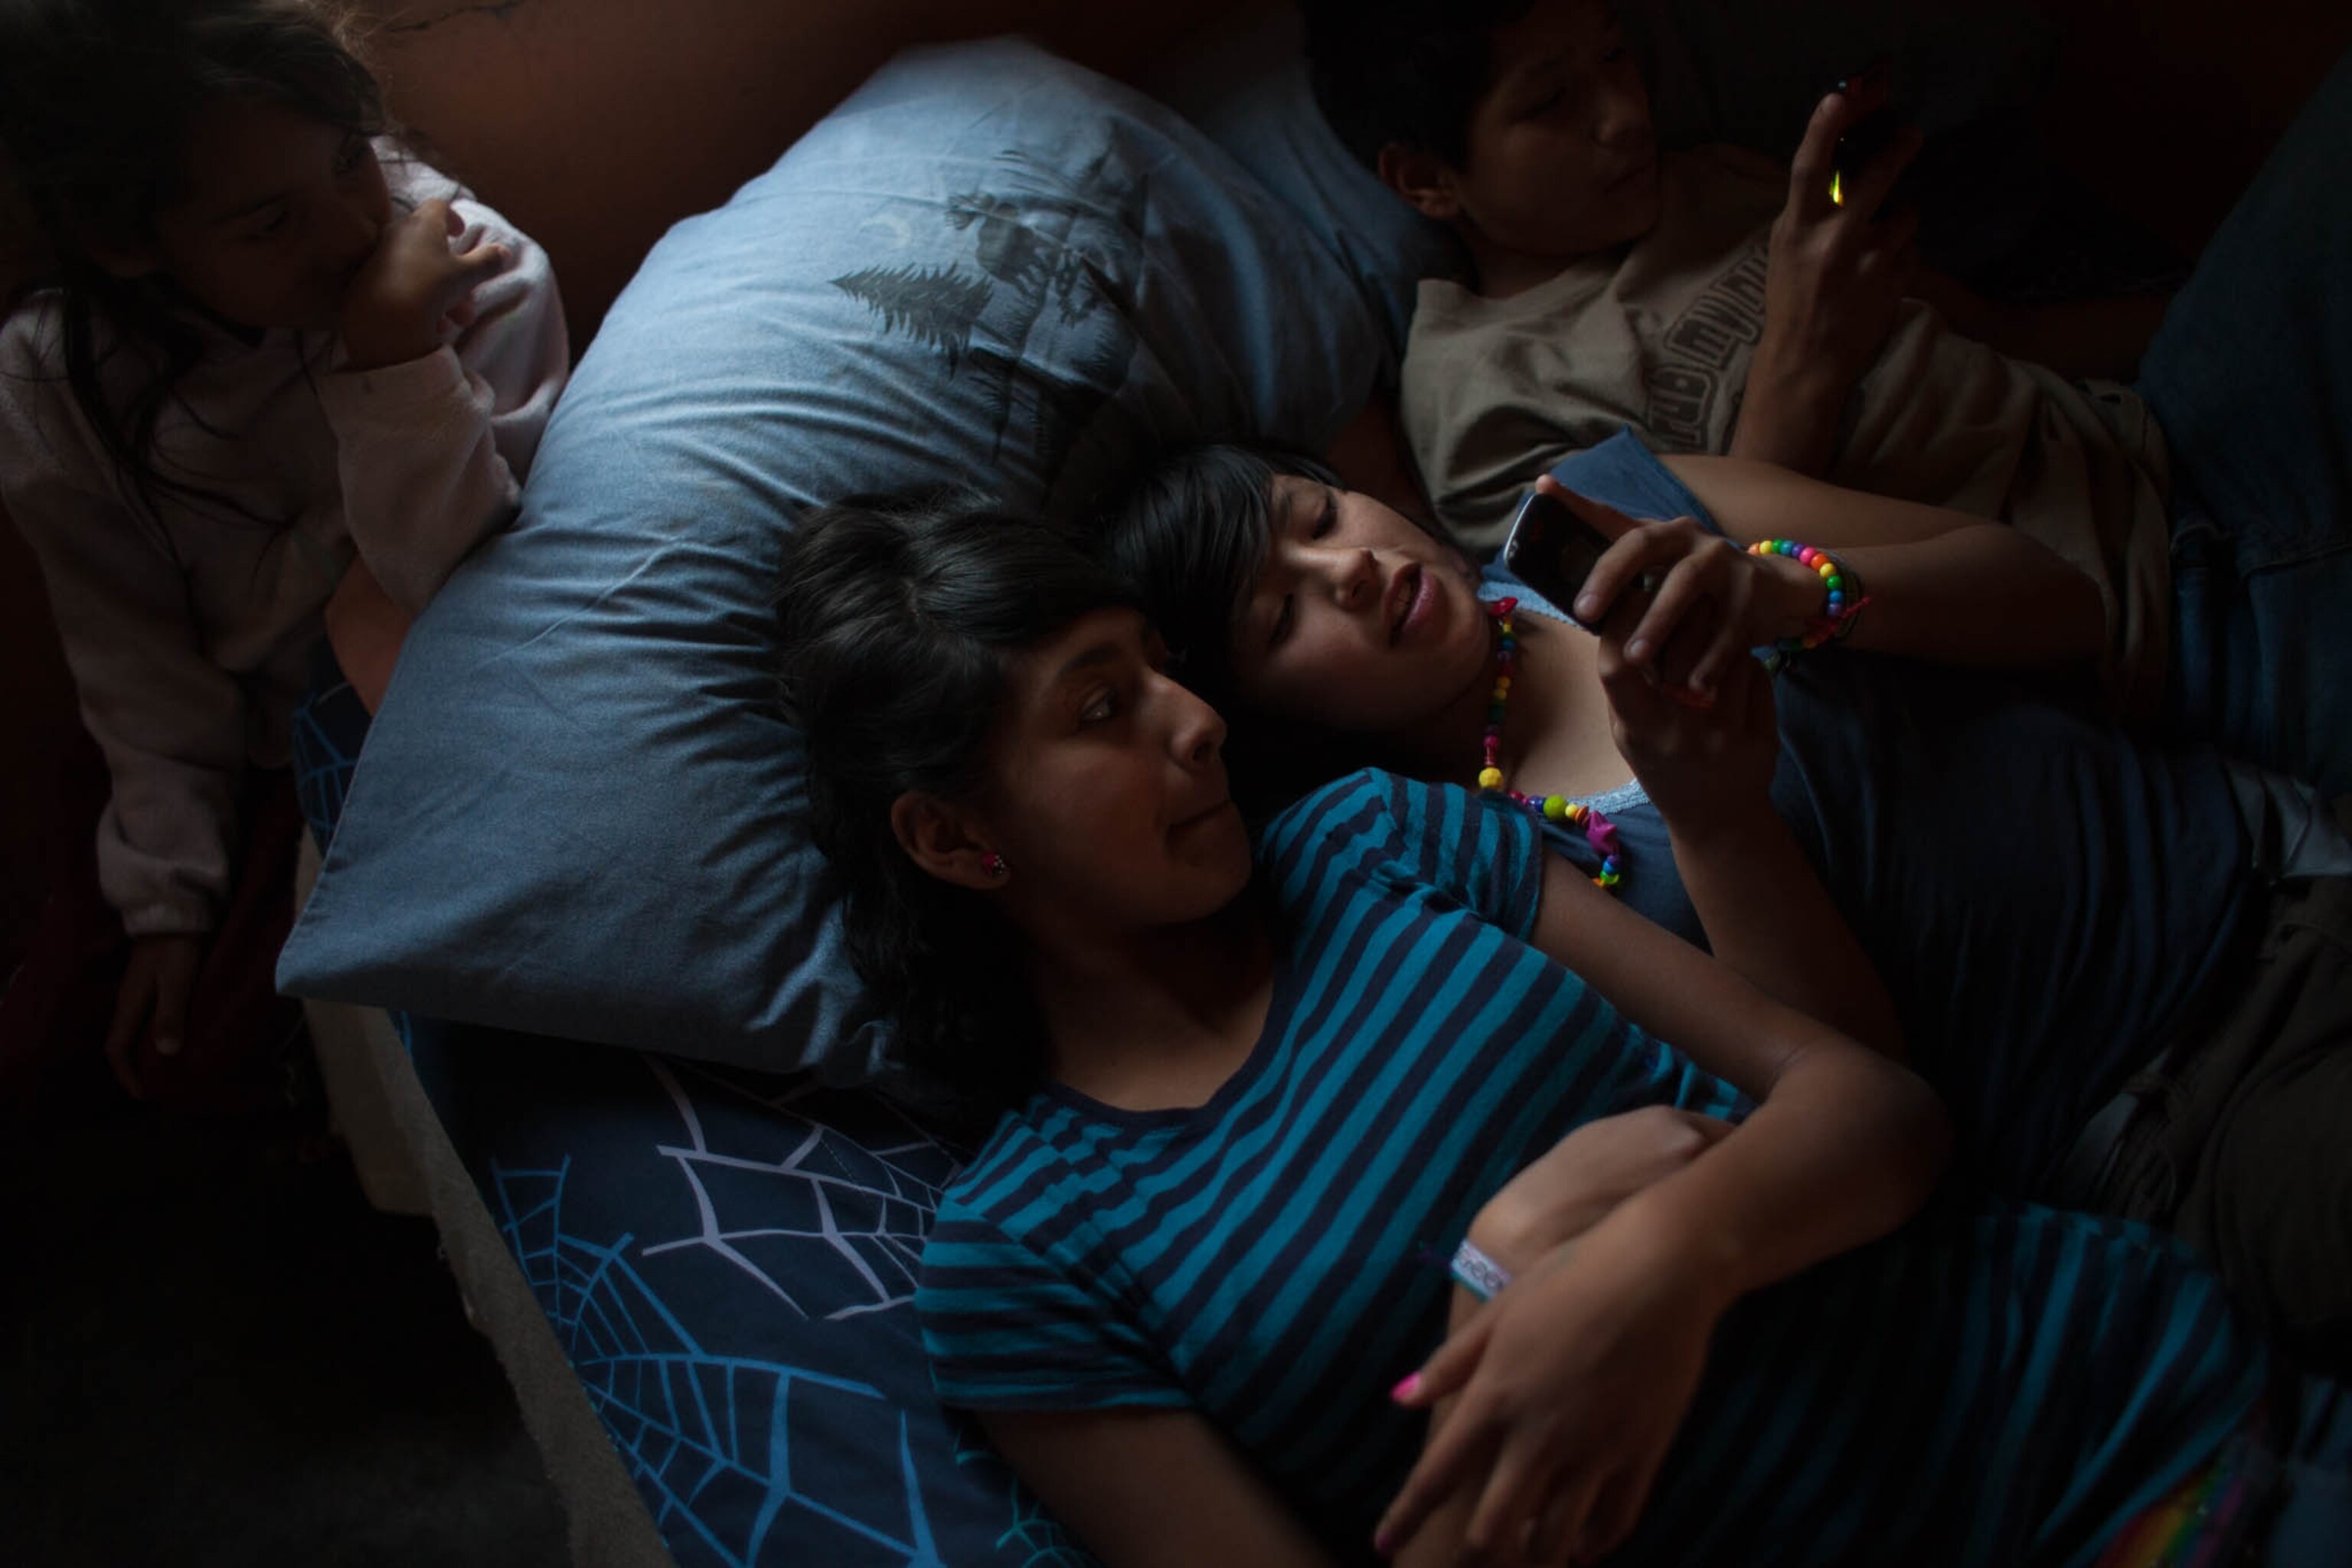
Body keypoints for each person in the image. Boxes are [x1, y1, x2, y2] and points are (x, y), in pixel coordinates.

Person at [776, 493, 2347, 1566]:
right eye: (1103, 709)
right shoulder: (1025, 1251)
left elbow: (1883, 1113)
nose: (1196, 724)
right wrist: (1511, 1289)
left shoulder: (1370, 842)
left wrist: (1675, 1255)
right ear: (955, 840)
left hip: (2129, 1404)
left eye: (1167, 673)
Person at [1095, 431, 2352, 1367]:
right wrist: (1712, 817)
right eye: (1283, 611)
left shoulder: (1618, 501)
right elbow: (1865, 1100)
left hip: (2279, 855)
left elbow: (2057, 604)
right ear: (1270, 723)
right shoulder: (1471, 878)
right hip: (2176, 1113)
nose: (1349, 568)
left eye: (1319, 514)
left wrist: (1805, 597)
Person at [1304, 0, 2352, 796]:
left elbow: (1996, 334)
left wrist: (2240, 308)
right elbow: (1716, 654)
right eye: (1552, 101)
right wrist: (1805, 352)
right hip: (2154, 631)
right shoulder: (1487, 416)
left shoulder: (1704, 179)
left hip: (2171, 440)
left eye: (1618, 58)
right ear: (1426, 180)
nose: (1624, 119)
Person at [0, 0, 568, 1103]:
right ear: (126, 241)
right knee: (91, 1044)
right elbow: (133, 663)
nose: (355, 232)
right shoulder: (54, 384)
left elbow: (448, 577)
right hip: (214, 747)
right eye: (269, 224)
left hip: (415, 701)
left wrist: (395, 360)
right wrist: (169, 902)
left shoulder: (477, 274)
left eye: (352, 159)